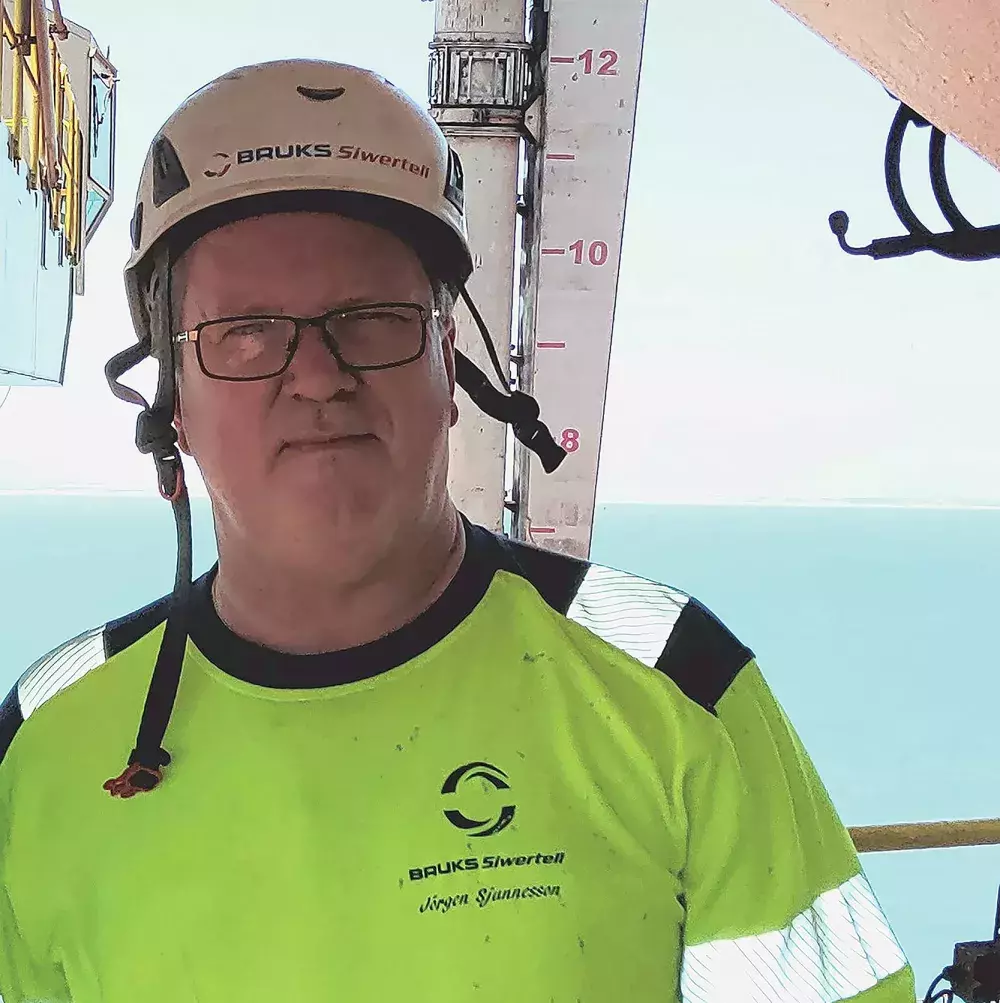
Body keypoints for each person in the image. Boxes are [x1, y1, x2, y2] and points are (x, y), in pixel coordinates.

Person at [0, 59, 916, 1003]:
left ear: (447, 365)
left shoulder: (671, 692)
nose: (316, 376)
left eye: (372, 319)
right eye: (246, 332)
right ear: (172, 401)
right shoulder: (45, 753)